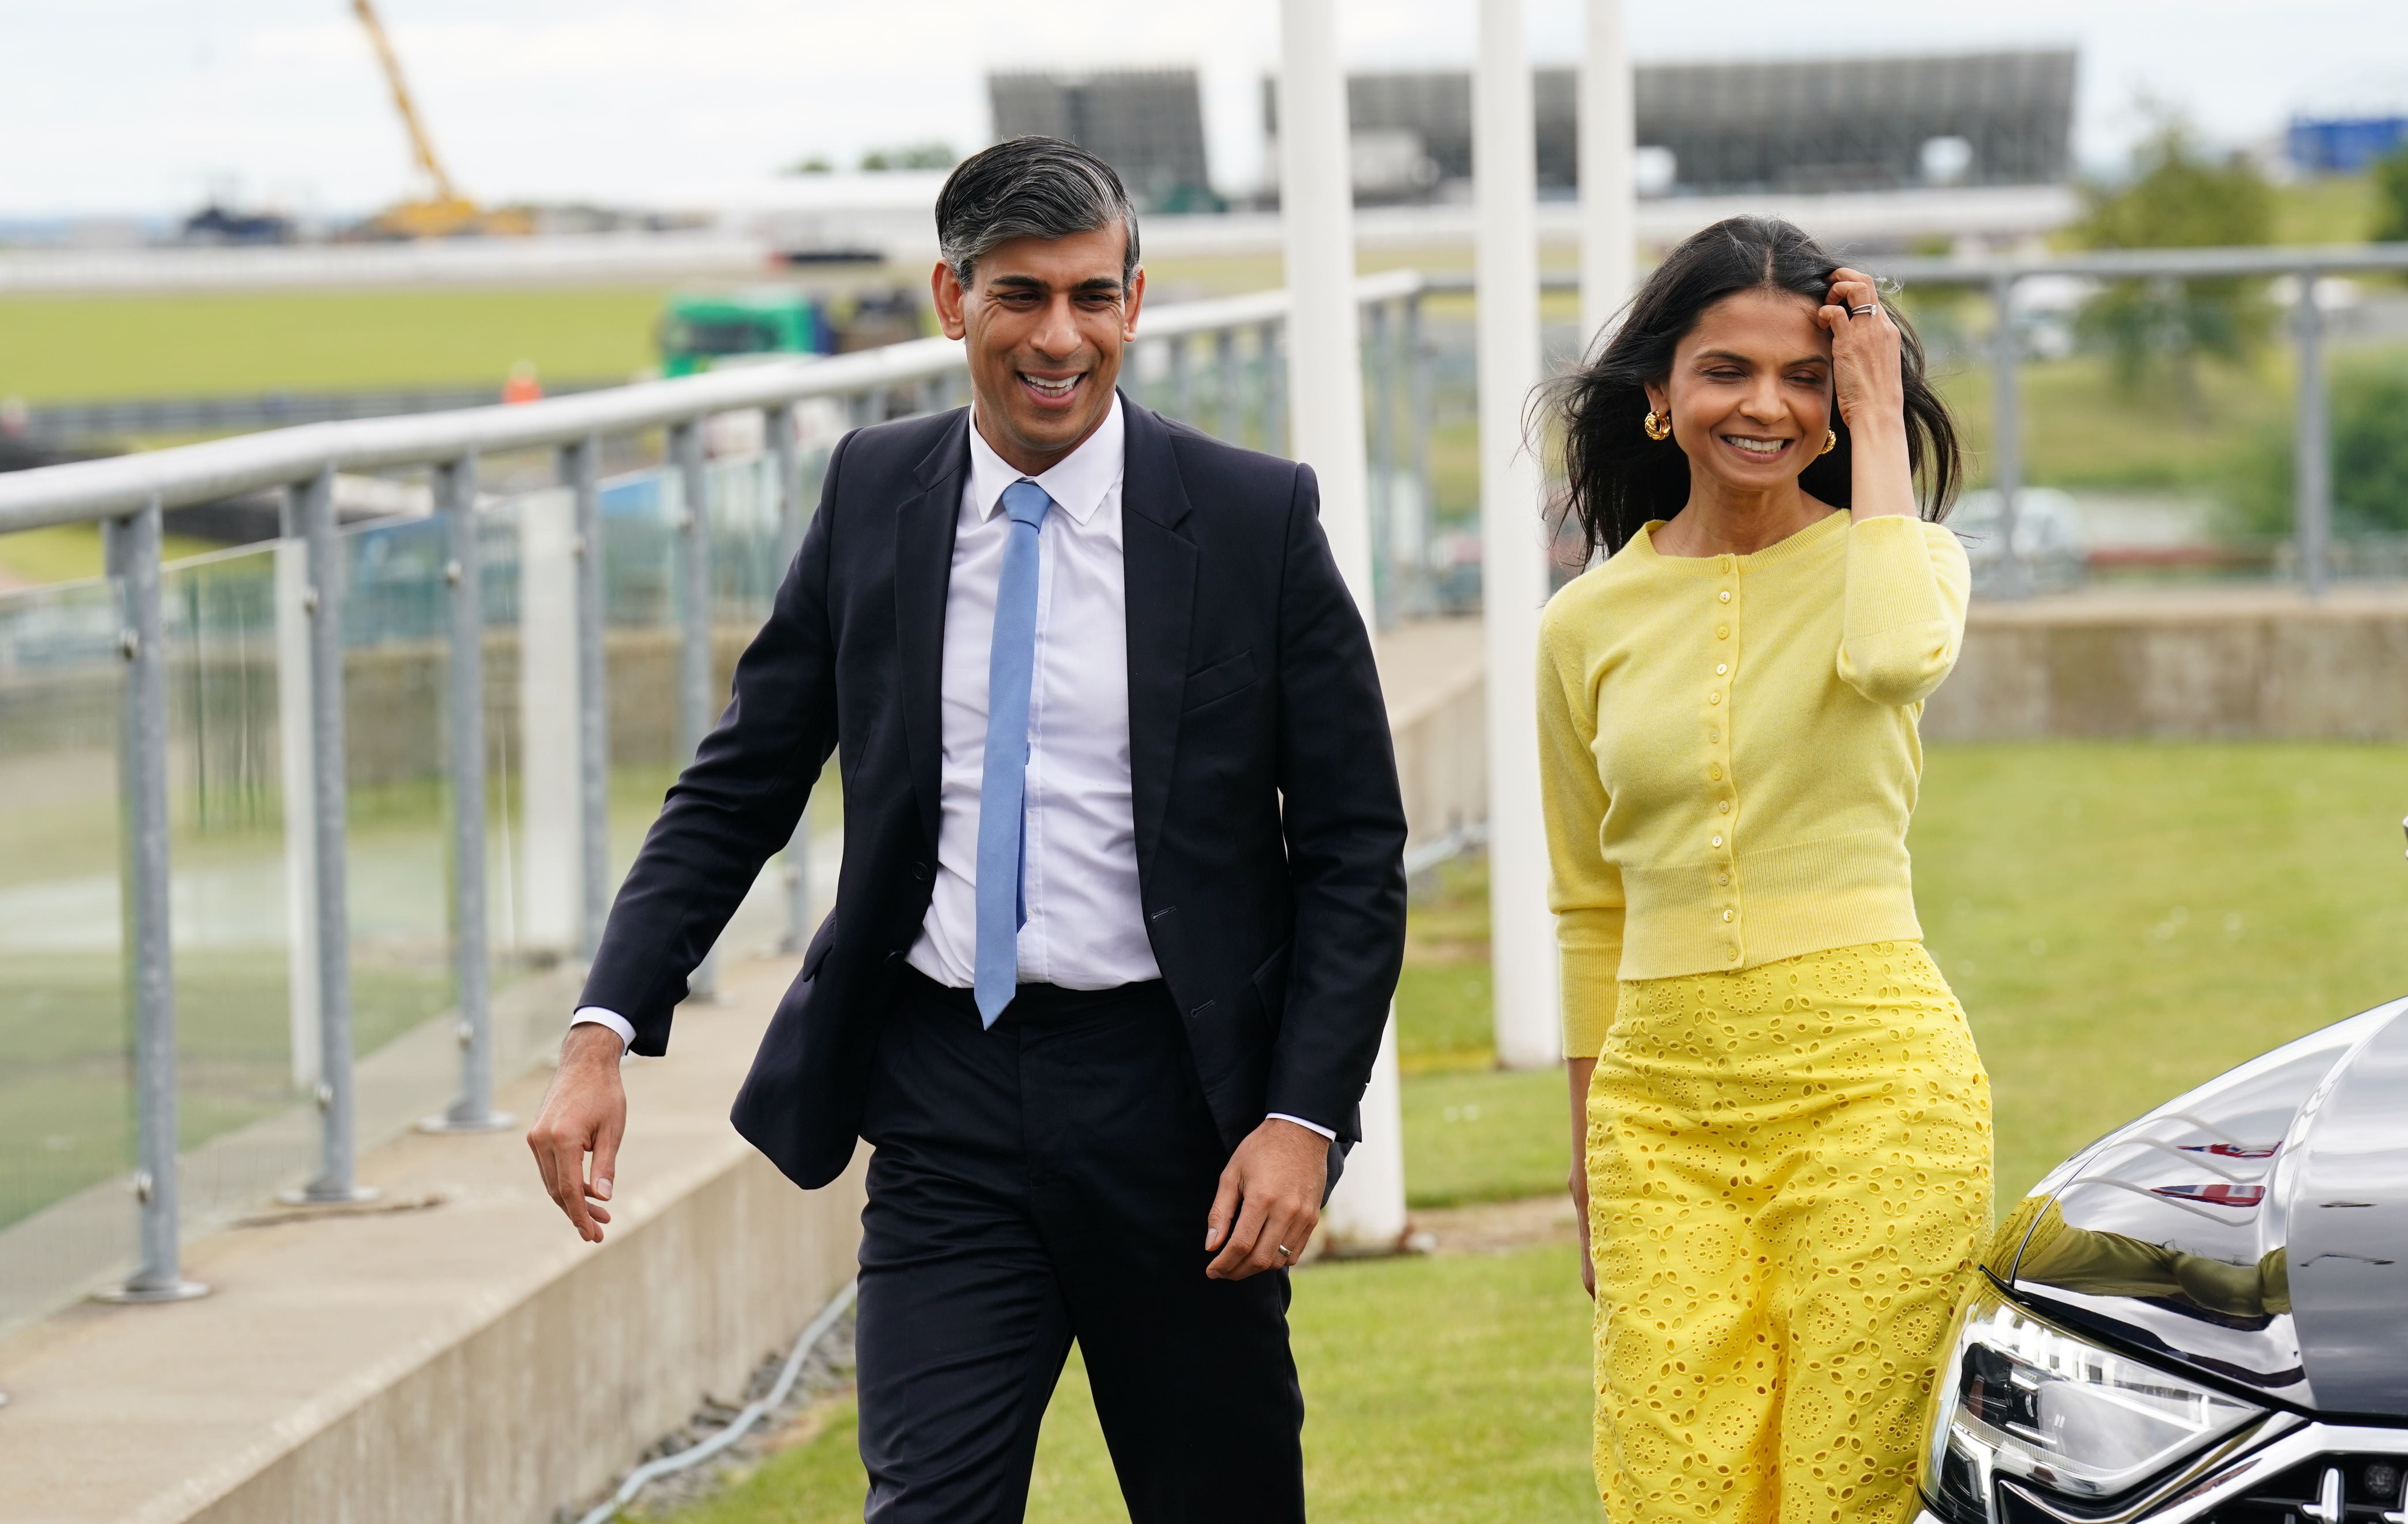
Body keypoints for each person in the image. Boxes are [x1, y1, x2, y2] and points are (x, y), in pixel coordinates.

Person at [523, 136, 1407, 1524]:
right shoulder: (874, 490)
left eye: (1093, 297)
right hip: (943, 1099)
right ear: (951, 299)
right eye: (1020, 297)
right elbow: (744, 780)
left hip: (1179, 1112)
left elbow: (1356, 851)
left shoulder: (1252, 519)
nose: (1062, 338)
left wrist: (1303, 1119)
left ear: (1134, 300)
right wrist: (603, 1033)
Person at [1536, 215, 1991, 1523]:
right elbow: (1586, 907)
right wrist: (1586, 1159)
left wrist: (1881, 415)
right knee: (1675, 1488)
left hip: (1876, 1094)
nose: (1767, 405)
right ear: (1660, 399)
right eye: (1727, 370)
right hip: (1659, 1115)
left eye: (1806, 377)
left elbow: (1898, 658)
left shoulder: (1901, 567)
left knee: (1846, 1487)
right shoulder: (1585, 626)